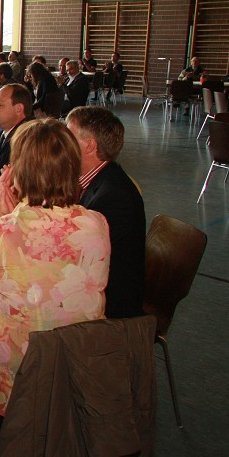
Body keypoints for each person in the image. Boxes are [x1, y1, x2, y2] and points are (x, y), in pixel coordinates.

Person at [0, 118, 109, 417]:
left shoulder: (0, 229)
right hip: (75, 371)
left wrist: (2, 217)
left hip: (17, 378)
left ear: (19, 171)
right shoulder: (96, 223)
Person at [66, 106, 145, 319]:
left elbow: (75, 255)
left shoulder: (113, 197)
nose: (61, 143)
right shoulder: (92, 180)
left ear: (90, 146)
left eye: (68, 135)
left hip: (107, 309)